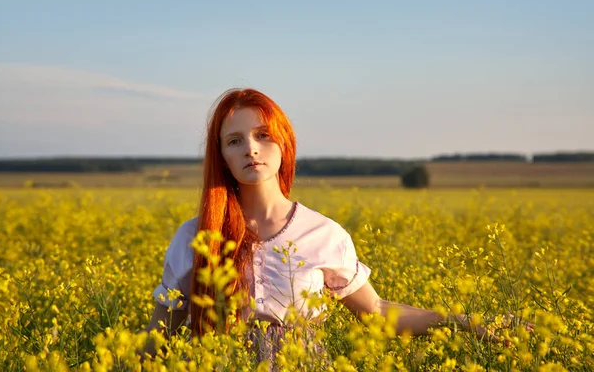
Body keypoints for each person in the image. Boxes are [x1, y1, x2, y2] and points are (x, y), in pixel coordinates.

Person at [141, 88, 523, 365]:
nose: (251, 149)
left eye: (263, 136)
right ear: (222, 156)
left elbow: (376, 311)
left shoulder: (324, 235)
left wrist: (465, 322)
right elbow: (158, 338)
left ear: (284, 145)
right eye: (235, 141)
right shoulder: (194, 237)